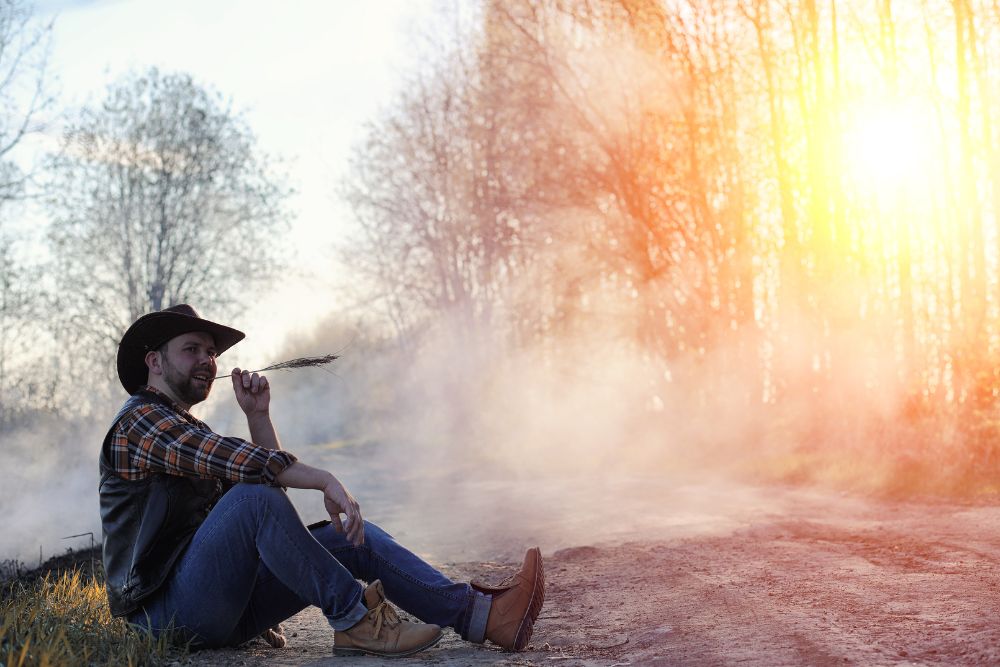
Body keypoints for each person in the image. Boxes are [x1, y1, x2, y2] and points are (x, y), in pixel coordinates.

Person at [99, 304, 544, 657]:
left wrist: (259, 416)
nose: (207, 361)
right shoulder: (139, 423)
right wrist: (324, 478)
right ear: (154, 361)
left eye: (210, 352)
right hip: (164, 614)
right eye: (191, 349)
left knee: (353, 539)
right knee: (251, 496)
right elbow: (249, 479)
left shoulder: (189, 427)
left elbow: (264, 501)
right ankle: (355, 621)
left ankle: (483, 616)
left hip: (218, 606)